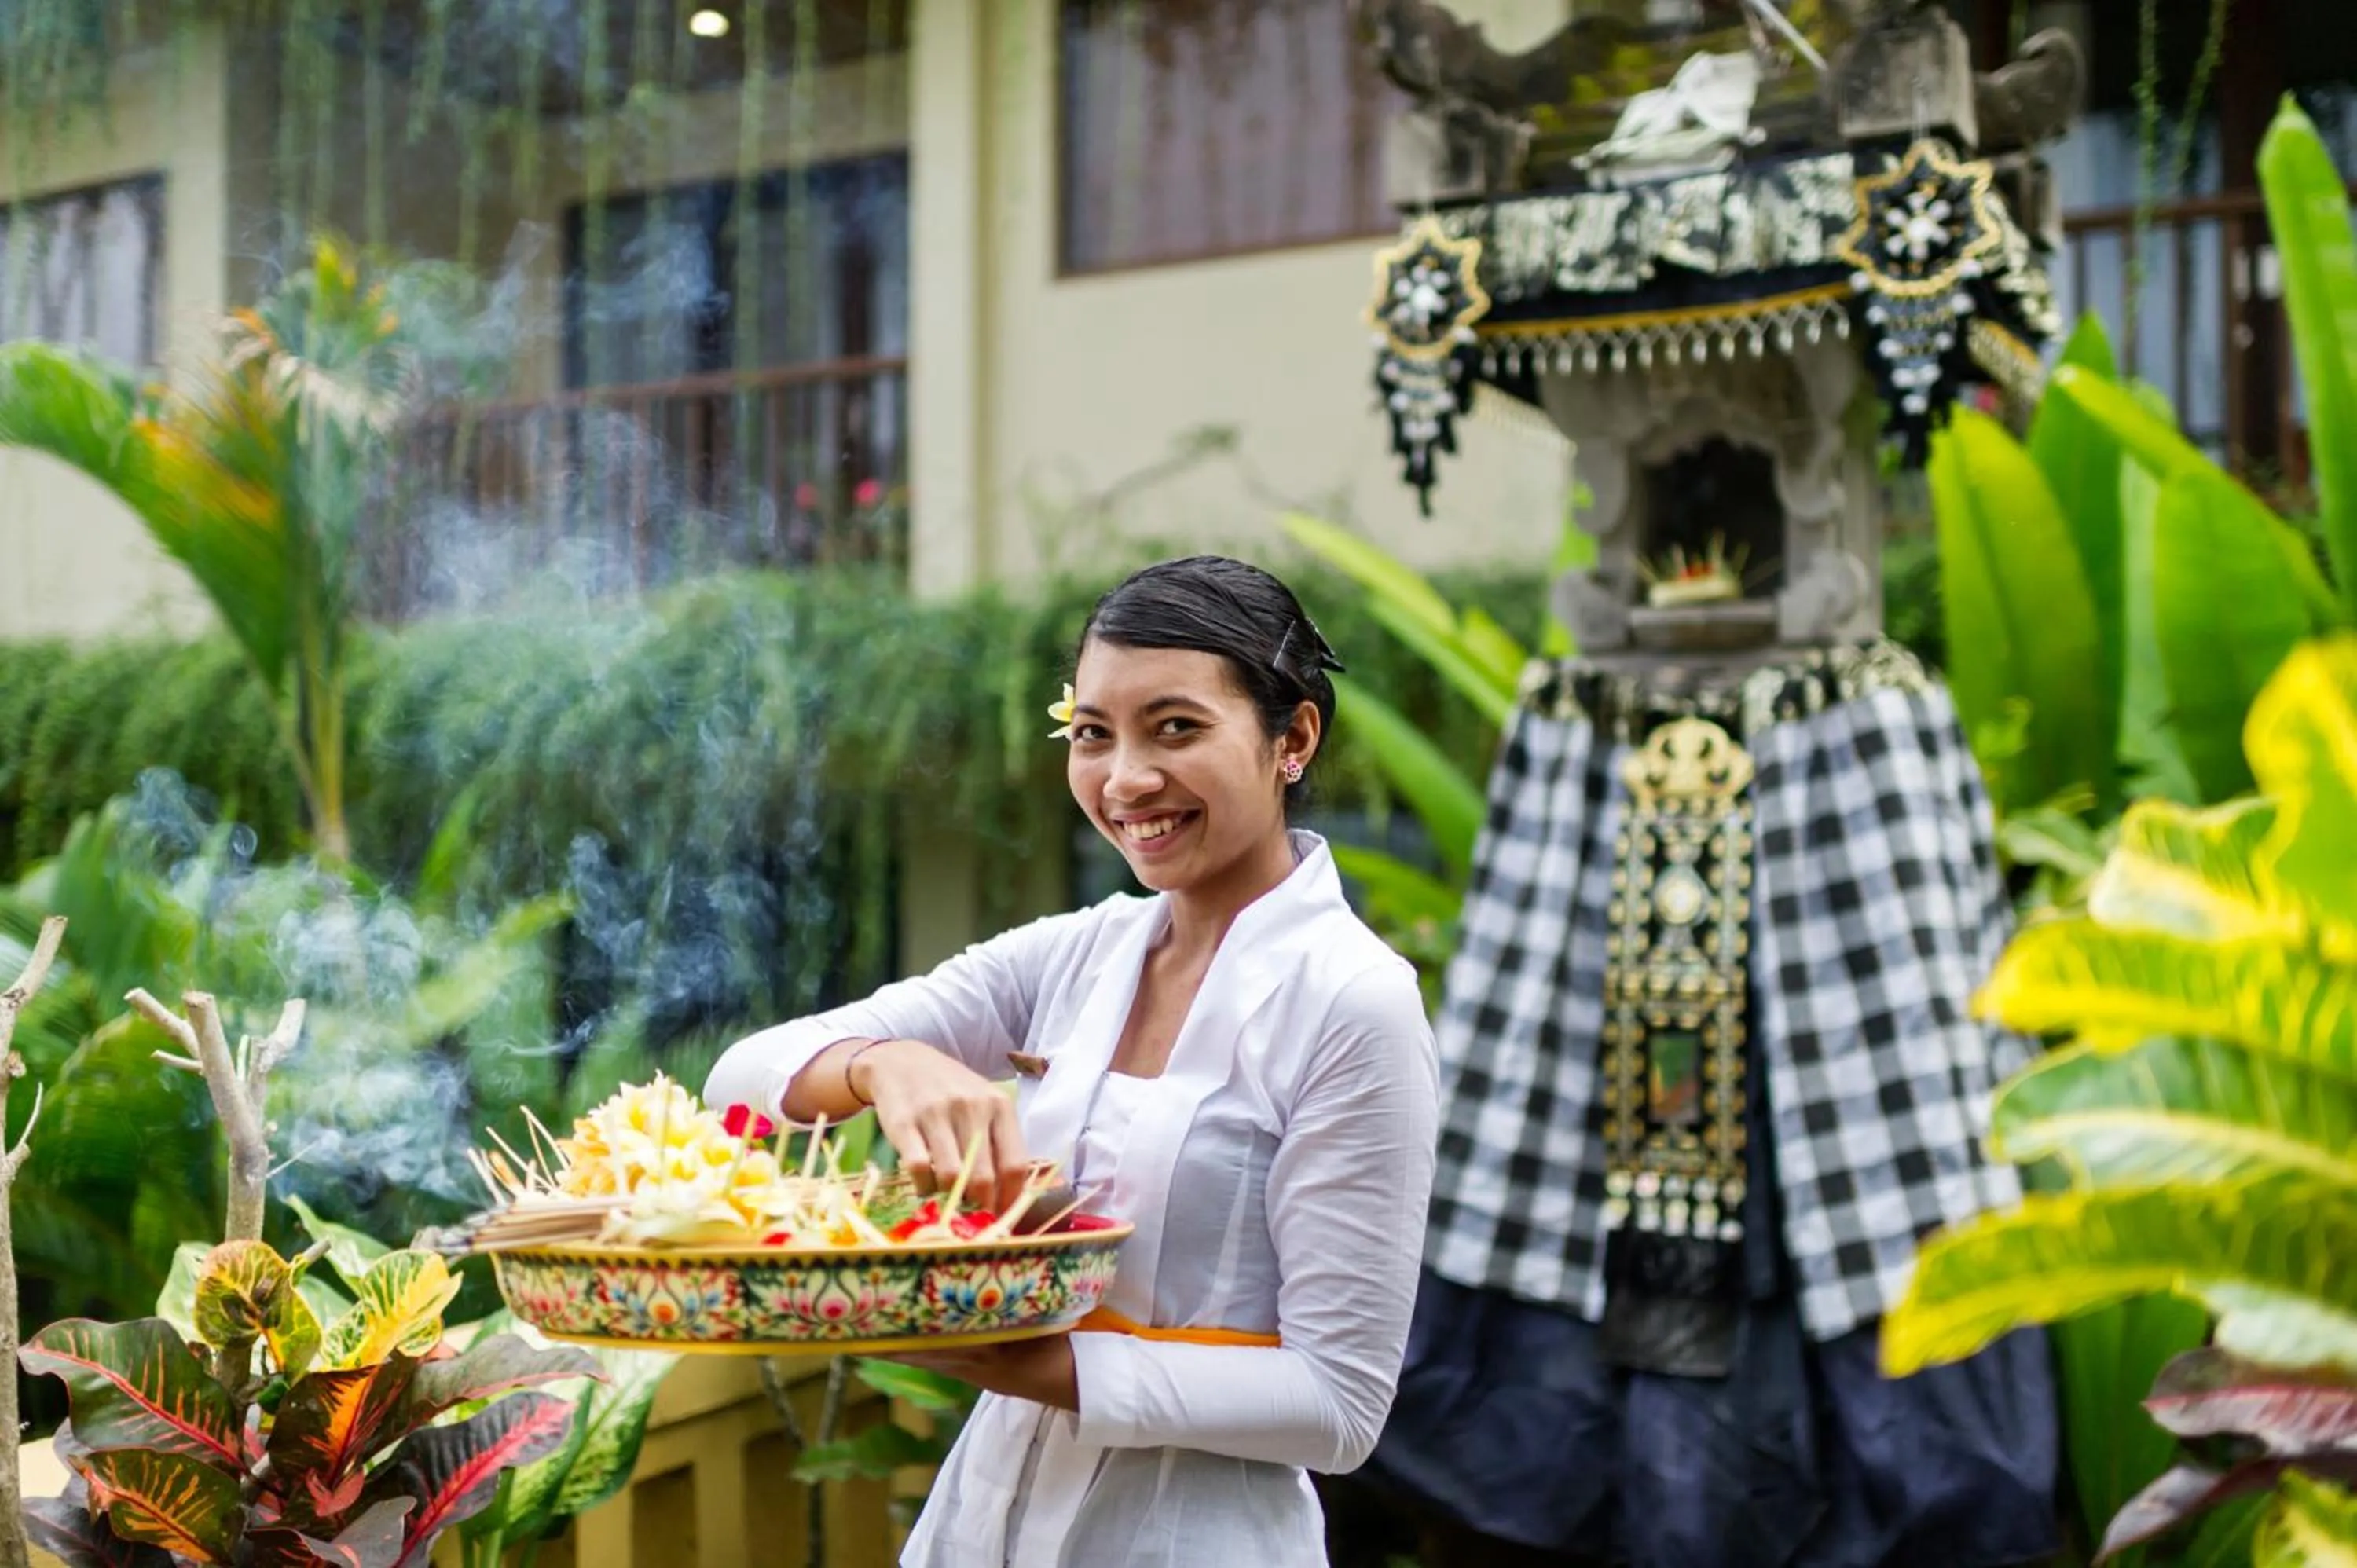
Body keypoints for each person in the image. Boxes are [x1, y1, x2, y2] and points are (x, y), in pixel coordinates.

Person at [704, 555, 1442, 1568]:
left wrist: (1023, 1361)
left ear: (1293, 739)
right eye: (1092, 735)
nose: (1126, 779)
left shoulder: (1355, 1005)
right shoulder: (1075, 952)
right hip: (978, 1527)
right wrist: (885, 1066)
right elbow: (742, 1078)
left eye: (1176, 728)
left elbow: (1338, 1405)